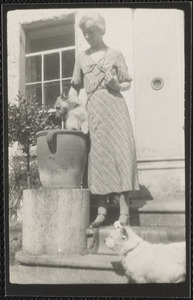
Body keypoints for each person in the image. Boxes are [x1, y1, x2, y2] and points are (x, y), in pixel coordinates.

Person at [68, 11, 139, 228]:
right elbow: (74, 87)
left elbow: (127, 82)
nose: (88, 35)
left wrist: (118, 86)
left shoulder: (115, 54)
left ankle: (124, 209)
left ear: (101, 30)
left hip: (116, 107)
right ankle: (101, 210)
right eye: (85, 32)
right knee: (98, 157)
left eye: (91, 31)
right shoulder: (81, 58)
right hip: (95, 110)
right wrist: (75, 106)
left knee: (122, 152)